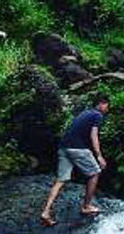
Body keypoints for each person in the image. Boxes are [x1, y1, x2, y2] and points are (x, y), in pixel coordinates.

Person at [40, 96, 110, 227]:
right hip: (77, 148)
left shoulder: (84, 113)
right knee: (95, 173)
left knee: (61, 180)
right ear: (101, 104)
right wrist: (99, 156)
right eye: (107, 106)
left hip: (63, 147)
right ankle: (86, 206)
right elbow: (93, 135)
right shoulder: (97, 115)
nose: (107, 109)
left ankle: (46, 212)